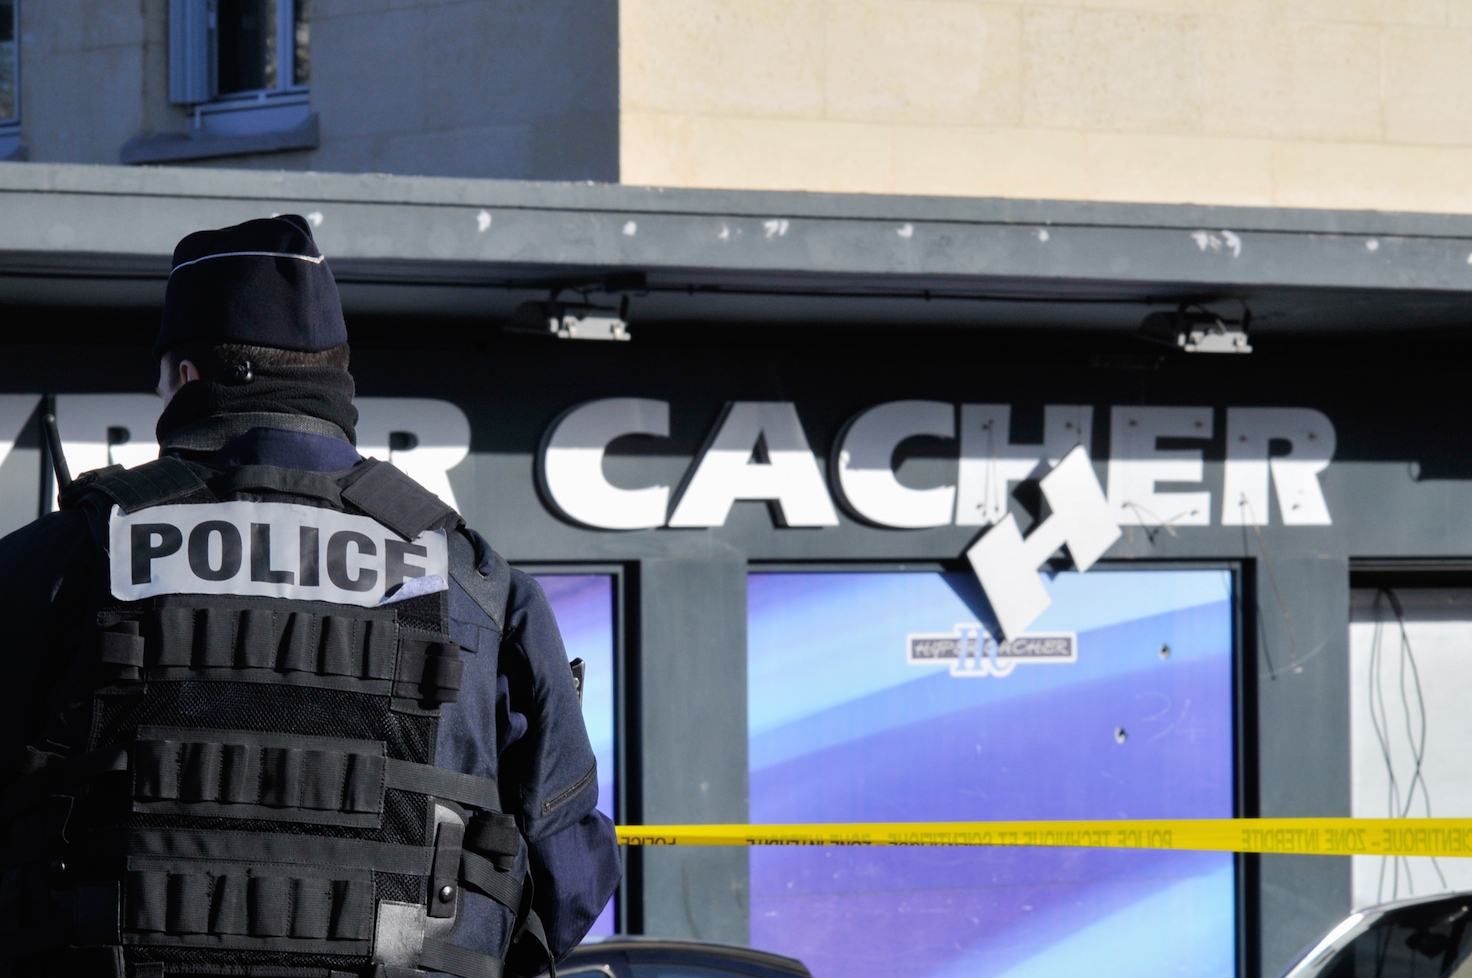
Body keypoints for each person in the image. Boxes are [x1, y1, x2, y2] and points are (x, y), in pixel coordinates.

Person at [0, 215, 620, 978]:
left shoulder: (57, 560)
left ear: (187, 378)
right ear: (334, 377)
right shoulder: (477, 583)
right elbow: (570, 880)